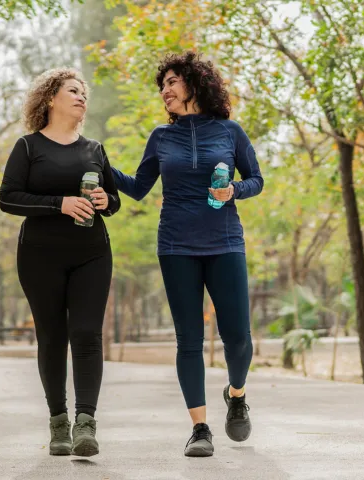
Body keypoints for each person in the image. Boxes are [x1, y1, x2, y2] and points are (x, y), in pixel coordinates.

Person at [112, 51, 263, 457]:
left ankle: (236, 393)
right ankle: (200, 429)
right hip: (176, 245)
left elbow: (256, 179)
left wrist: (234, 190)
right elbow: (140, 186)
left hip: (225, 241)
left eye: (171, 83)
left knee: (239, 338)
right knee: (188, 341)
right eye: (162, 87)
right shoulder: (161, 137)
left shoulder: (230, 132)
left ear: (194, 84)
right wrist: (101, 163)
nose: (165, 92)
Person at [0, 68, 120, 457]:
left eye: (84, 92)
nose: (82, 97)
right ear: (51, 98)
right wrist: (59, 204)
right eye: (73, 90)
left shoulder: (94, 149)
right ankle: (58, 425)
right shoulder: (29, 147)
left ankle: (86, 424)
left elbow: (114, 202)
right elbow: (8, 198)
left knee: (86, 334)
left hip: (92, 253)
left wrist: (105, 201)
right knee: (52, 337)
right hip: (39, 256)